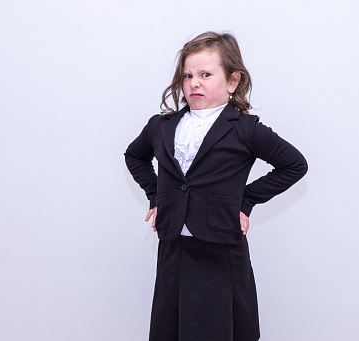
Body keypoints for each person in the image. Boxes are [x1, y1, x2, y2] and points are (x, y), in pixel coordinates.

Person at [124, 31, 307, 341]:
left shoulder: (245, 129)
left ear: (232, 81)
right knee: (170, 329)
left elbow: (294, 164)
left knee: (217, 330)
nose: (194, 82)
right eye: (188, 75)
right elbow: (135, 156)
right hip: (173, 250)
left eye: (205, 74)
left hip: (219, 252)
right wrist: (156, 197)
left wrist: (244, 201)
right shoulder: (162, 125)